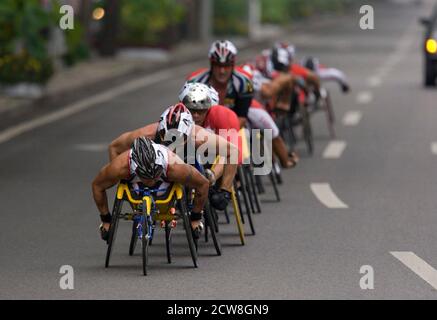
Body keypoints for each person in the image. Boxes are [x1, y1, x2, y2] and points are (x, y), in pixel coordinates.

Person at [108, 103, 238, 211]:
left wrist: (224, 191)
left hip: (187, 160)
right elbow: (114, 147)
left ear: (188, 133)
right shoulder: (146, 134)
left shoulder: (198, 136)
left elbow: (232, 151)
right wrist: (122, 177)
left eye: (178, 139)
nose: (172, 144)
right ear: (160, 130)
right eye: (167, 137)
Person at [92, 137, 209, 242]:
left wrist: (195, 217)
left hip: (165, 184)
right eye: (145, 177)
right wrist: (106, 219)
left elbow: (203, 184)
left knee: (186, 186)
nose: (150, 182)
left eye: (154, 176)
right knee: (133, 194)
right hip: (136, 187)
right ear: (134, 167)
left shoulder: (175, 166)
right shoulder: (120, 167)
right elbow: (97, 186)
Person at [186, 40, 254, 127]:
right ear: (211, 64)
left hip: (233, 127)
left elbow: (242, 117)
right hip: (202, 127)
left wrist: (222, 136)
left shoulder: (244, 83)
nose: (222, 71)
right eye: (218, 65)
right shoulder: (194, 82)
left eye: (226, 66)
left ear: (233, 65)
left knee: (261, 120)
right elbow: (185, 115)